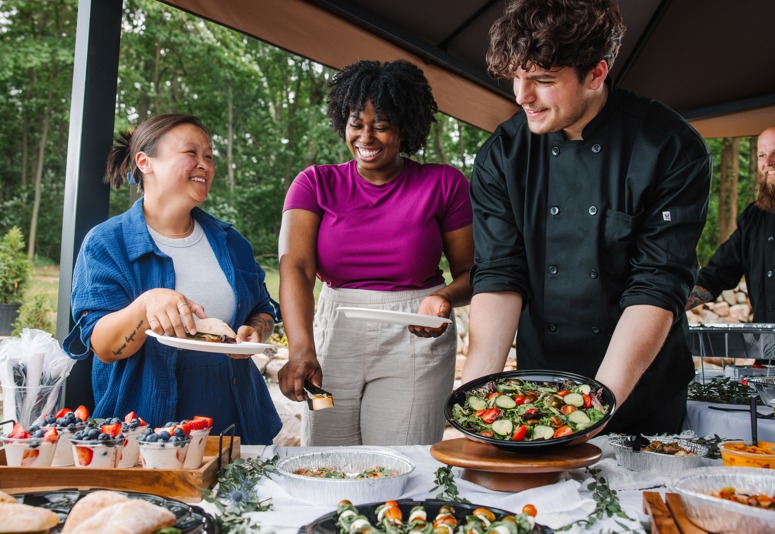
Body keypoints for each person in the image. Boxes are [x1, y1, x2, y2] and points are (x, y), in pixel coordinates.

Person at [462, 0, 712, 435]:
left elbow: (658, 282)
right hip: (541, 384)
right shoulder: (503, 154)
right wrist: (473, 401)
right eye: (517, 78)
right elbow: (500, 275)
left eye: (542, 80)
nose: (522, 96)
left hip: (644, 389)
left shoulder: (670, 147)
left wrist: (595, 409)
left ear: (597, 73)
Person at [277, 59, 474, 446]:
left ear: (405, 128)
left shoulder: (444, 184)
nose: (365, 137)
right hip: (335, 333)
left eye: (380, 126)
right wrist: (301, 348)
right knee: (325, 455)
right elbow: (296, 268)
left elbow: (474, 272)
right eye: (356, 124)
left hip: (416, 336)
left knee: (401, 461)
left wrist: (443, 298)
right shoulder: (314, 184)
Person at [62, 113, 282, 445]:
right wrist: (145, 305)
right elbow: (103, 347)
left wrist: (255, 331)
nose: (204, 164)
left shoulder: (232, 242)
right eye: (191, 153)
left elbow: (263, 310)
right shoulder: (107, 243)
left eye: (209, 156)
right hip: (142, 435)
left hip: (234, 431)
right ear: (145, 162)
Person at [687, 122, 775, 324]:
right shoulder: (754, 217)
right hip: (769, 352)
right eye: (762, 155)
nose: (768, 162)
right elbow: (714, 277)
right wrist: (663, 306)